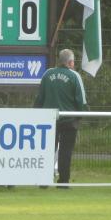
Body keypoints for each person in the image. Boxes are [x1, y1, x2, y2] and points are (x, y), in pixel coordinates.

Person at [34, 49, 88, 188]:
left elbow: (40, 98)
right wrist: (80, 117)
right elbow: (81, 101)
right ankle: (63, 182)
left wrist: (36, 114)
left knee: (47, 151)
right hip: (69, 120)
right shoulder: (74, 76)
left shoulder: (47, 74)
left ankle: (43, 181)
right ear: (70, 62)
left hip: (49, 120)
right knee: (65, 152)